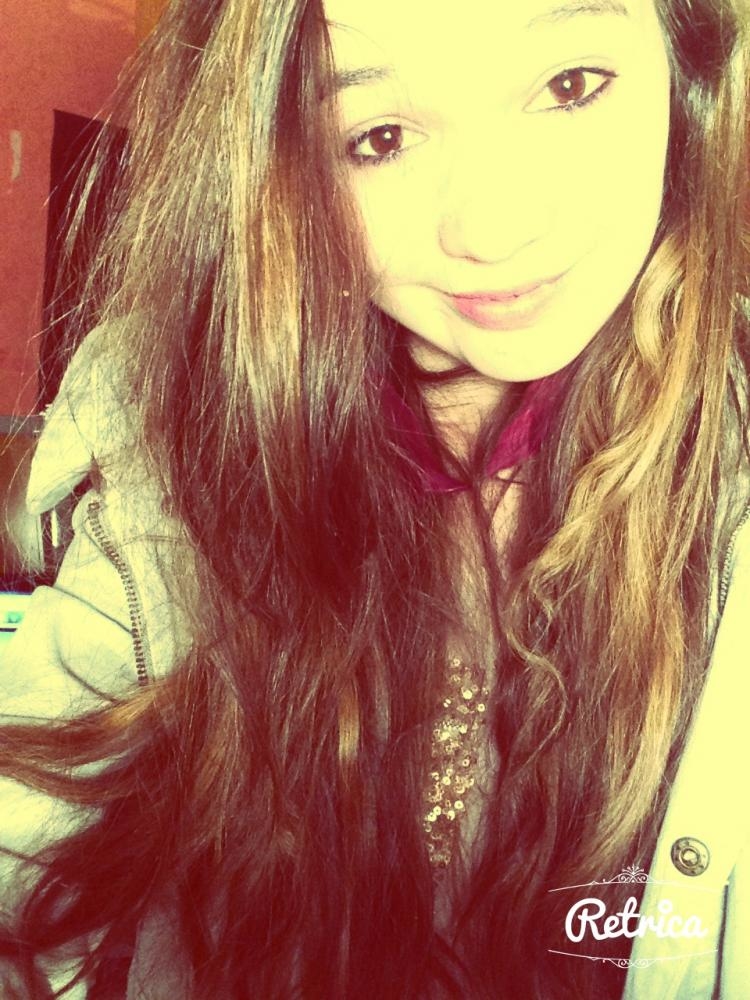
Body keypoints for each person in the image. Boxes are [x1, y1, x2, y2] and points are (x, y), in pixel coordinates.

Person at [0, 0, 748, 996]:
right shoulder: (174, 422)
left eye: (571, 86)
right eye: (380, 138)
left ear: (685, 71)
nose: (493, 227)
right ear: (284, 173)